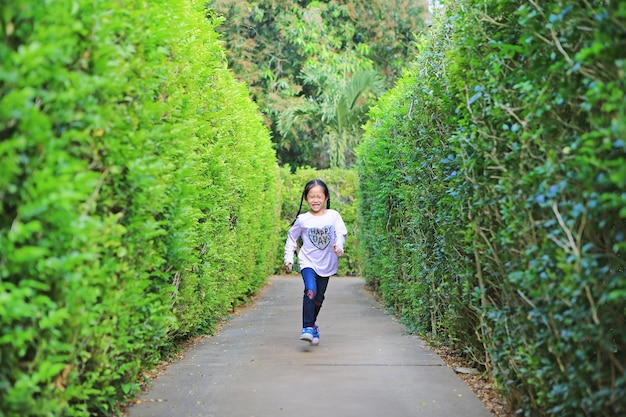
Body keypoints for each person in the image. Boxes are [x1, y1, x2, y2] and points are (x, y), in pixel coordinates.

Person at [284, 179, 347, 345]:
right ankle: (307, 328)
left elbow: (341, 234)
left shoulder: (333, 216)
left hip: (327, 263)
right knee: (310, 291)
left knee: (319, 298)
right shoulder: (303, 219)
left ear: (326, 197)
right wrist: (289, 258)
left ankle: (313, 325)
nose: (315, 200)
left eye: (319, 196)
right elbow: (292, 238)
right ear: (306, 198)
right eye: (311, 196)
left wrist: (339, 247)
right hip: (308, 262)